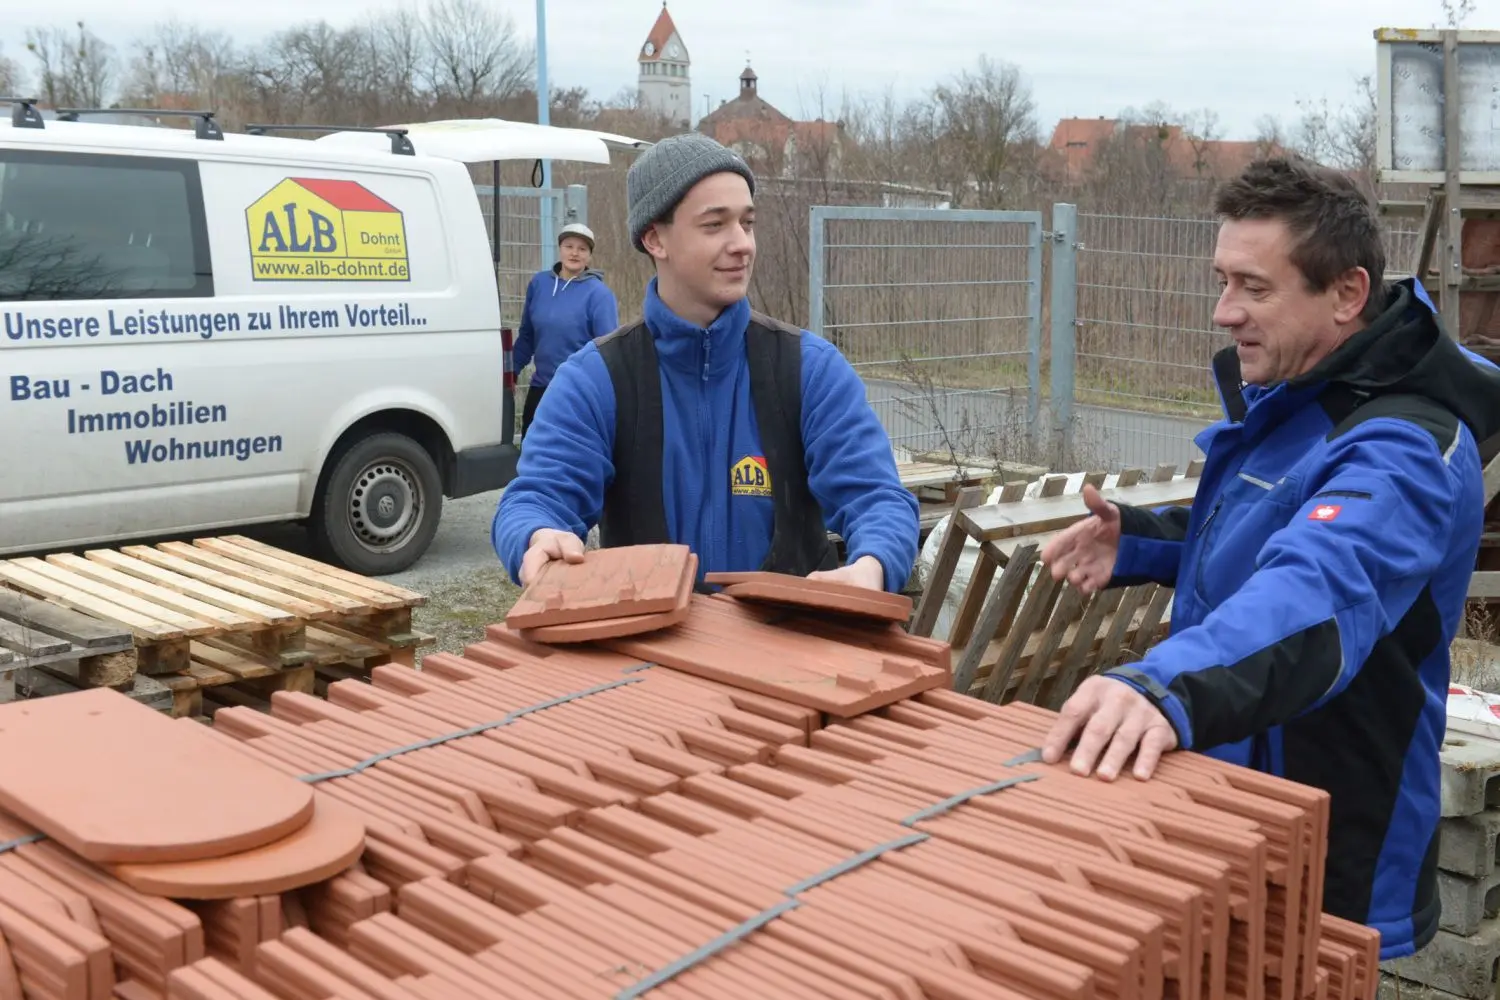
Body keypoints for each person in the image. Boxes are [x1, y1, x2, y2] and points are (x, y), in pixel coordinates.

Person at [1037, 155, 1500, 960]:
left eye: (1254, 288)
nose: (1224, 312)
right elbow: (1267, 515)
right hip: (1234, 796)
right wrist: (1142, 539)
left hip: (1334, 837)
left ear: (1347, 295)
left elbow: (1318, 583)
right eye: (1222, 281)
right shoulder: (1301, 395)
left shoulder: (1405, 448)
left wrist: (1163, 686)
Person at [491, 131, 919, 592]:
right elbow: (535, 497)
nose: (743, 244)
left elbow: (878, 498)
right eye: (715, 225)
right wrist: (536, 535)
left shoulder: (809, 369)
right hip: (646, 655)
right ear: (655, 238)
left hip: (790, 651)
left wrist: (872, 565)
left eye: (747, 223)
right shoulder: (595, 380)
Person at [512, 222, 620, 440]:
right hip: (541, 388)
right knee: (531, 454)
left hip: (577, 393)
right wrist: (511, 372)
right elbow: (527, 336)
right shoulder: (539, 284)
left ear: (589, 256)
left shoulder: (599, 295)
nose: (574, 253)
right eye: (569, 246)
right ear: (560, 248)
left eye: (582, 249)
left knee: (566, 459)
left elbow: (609, 351)